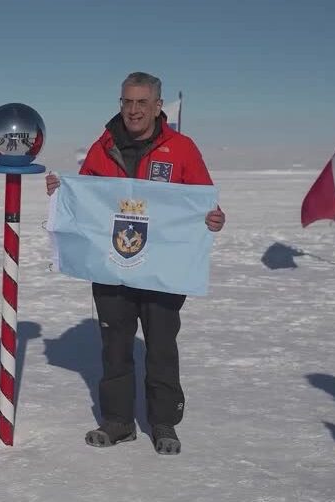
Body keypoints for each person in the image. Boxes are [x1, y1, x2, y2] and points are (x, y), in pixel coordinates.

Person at [46, 72, 225, 455]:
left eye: (142, 102)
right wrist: (63, 192)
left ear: (158, 106)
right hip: (113, 266)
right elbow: (87, 198)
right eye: (127, 102)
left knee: (160, 346)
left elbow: (202, 202)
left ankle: (163, 423)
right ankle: (118, 421)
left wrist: (214, 218)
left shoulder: (182, 148)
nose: (133, 110)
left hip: (162, 271)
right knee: (115, 345)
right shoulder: (103, 146)